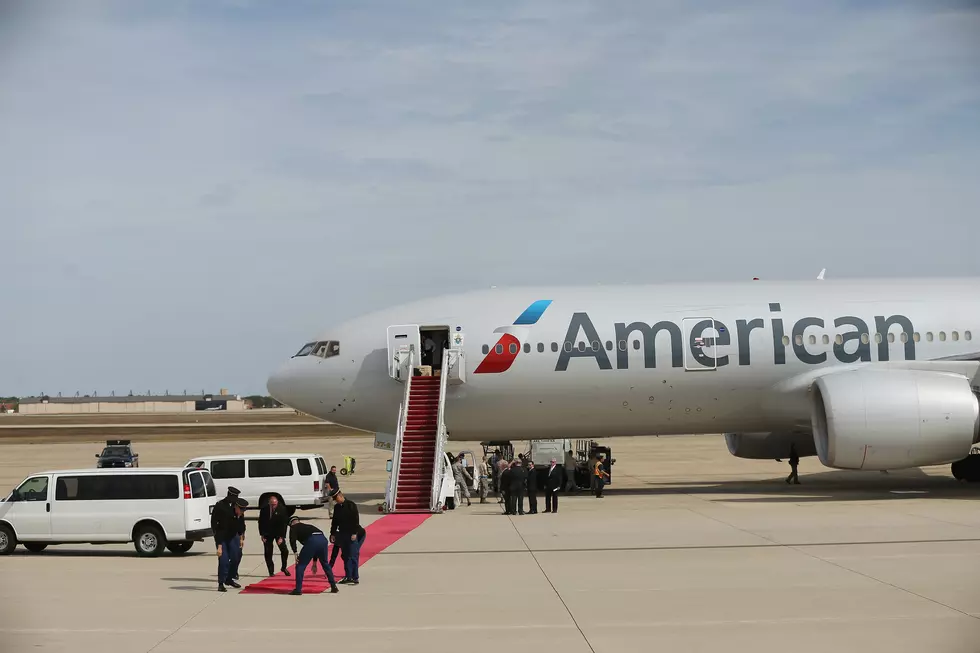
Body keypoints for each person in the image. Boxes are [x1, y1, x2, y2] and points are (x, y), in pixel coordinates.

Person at [287, 516, 339, 595]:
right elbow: (316, 547)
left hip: (312, 540)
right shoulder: (309, 526)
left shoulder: (293, 527)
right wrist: (314, 563)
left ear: (291, 524)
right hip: (322, 539)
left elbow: (292, 540)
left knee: (300, 565)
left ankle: (298, 589)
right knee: (325, 564)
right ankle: (333, 586)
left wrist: (295, 552)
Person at [330, 488, 366, 584]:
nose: (335, 501)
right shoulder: (337, 508)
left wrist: (354, 533)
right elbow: (335, 522)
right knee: (345, 556)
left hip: (354, 534)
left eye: (336, 498)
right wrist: (332, 533)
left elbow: (355, 519)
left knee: (353, 555)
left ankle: (355, 577)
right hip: (343, 533)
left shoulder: (351, 505)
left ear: (340, 496)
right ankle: (348, 576)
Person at [211, 486, 242, 592]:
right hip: (222, 538)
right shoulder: (220, 506)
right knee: (223, 560)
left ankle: (230, 578)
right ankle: (221, 582)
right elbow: (214, 523)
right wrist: (218, 541)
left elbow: (241, 523)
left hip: (233, 537)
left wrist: (241, 536)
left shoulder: (237, 506)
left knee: (236, 557)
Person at [259, 495, 290, 577]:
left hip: (278, 532)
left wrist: (281, 537)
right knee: (268, 552)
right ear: (269, 503)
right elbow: (261, 522)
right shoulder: (264, 509)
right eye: (272, 504)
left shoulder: (282, 509)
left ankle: (284, 567)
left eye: (275, 504)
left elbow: (284, 524)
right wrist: (262, 534)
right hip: (267, 533)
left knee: (284, 550)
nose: (274, 506)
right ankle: (271, 571)